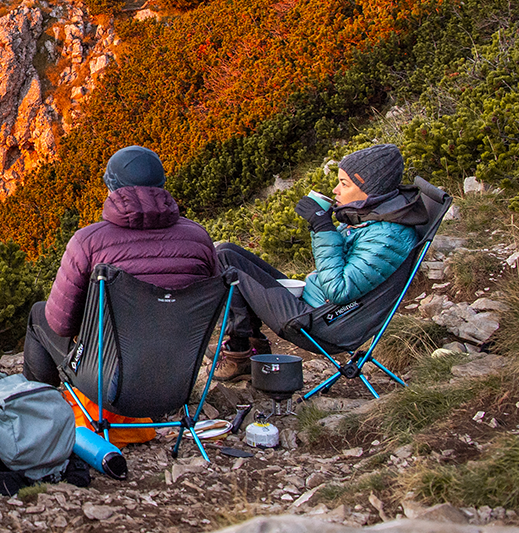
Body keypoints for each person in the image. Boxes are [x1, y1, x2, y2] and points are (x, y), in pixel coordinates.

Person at [213, 143, 428, 380]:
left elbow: (339, 289)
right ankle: (251, 346)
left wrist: (322, 227)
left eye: (344, 184)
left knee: (228, 266)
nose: (336, 190)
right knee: (226, 252)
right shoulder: (373, 217)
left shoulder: (388, 237)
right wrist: (326, 223)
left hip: (322, 322)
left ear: (370, 190)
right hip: (317, 303)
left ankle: (239, 354)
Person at [23, 145, 220, 385]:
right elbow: (213, 307)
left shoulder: (88, 241)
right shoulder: (199, 238)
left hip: (109, 385)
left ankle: (41, 406)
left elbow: (60, 324)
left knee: (38, 316)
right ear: (162, 185)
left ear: (111, 188)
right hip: (176, 380)